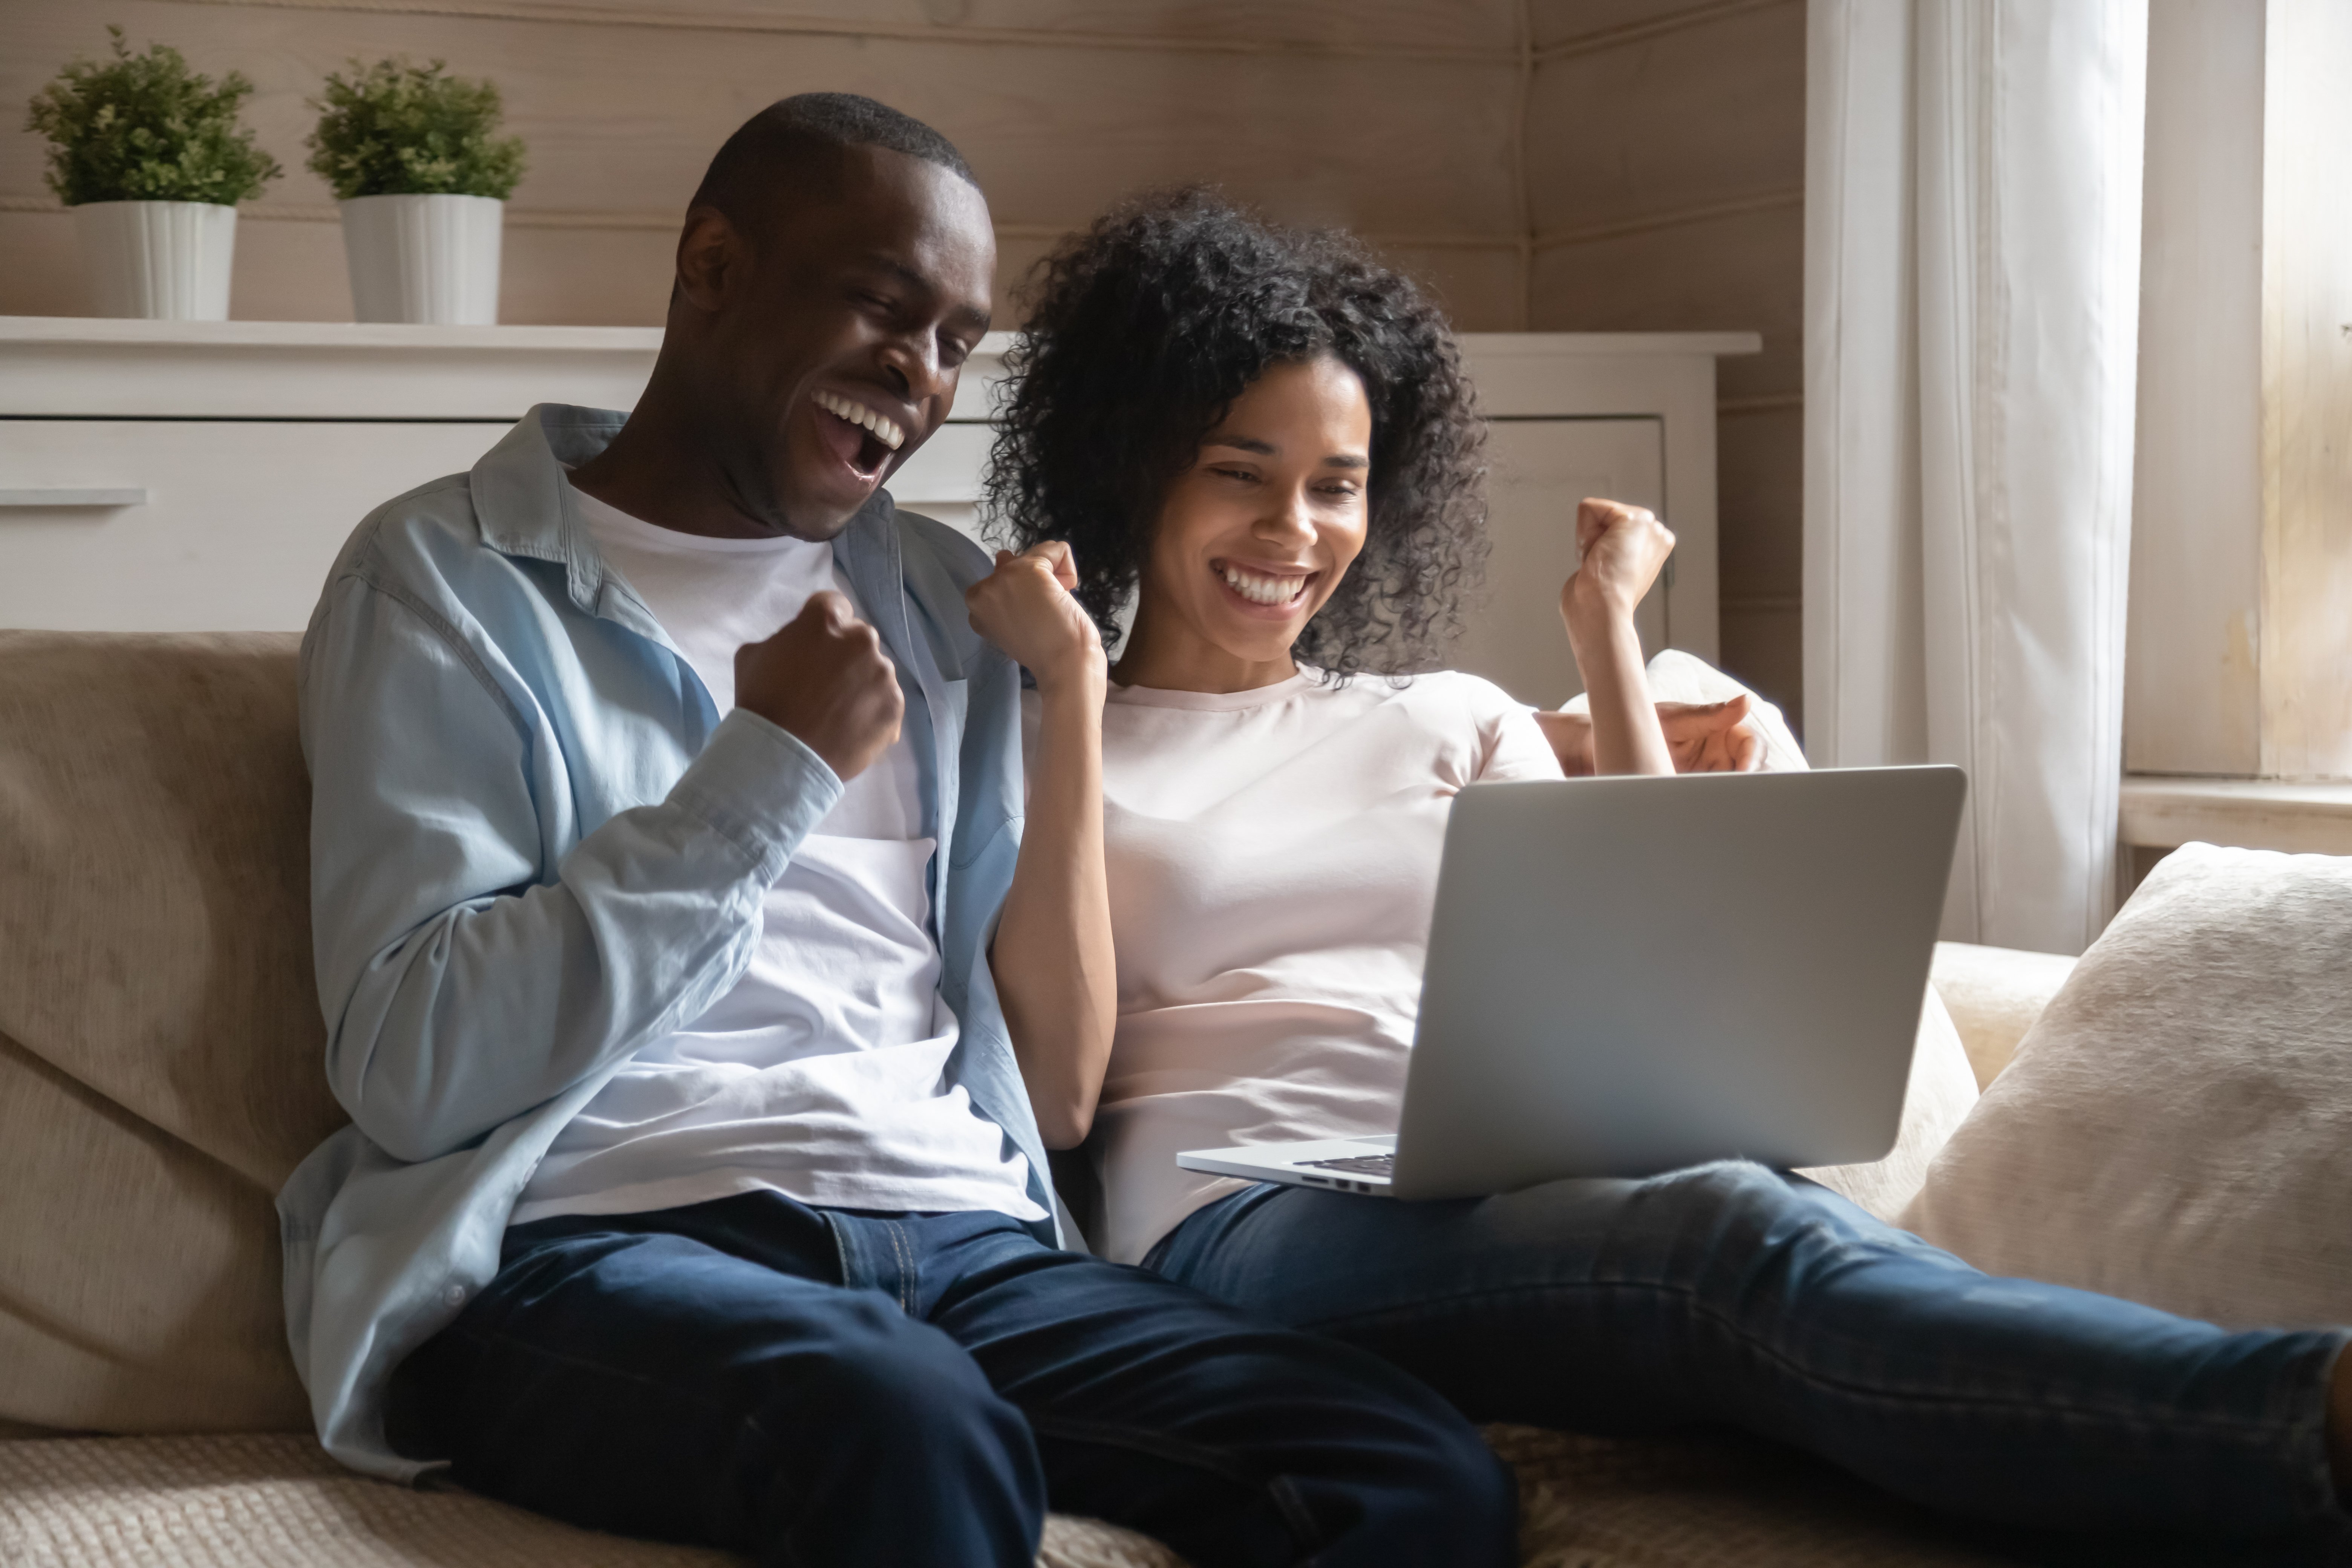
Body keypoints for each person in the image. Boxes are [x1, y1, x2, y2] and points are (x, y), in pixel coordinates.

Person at [977, 186, 2352, 1556]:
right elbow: (1062, 1088)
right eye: (1238, 470)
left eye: (1336, 485)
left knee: (1765, 1218)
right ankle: (2307, 1420)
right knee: (1723, 1248)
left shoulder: (1445, 715)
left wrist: (1604, 632)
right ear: (1133, 463)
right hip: (1245, 1212)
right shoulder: (1034, 731)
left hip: (1502, 1175)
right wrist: (1081, 693)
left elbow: (1643, 925)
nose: (1296, 529)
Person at [278, 100, 1520, 1568]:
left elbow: (1056, 1086)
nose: (919, 377)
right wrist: (766, 772)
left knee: (1411, 1469)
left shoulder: (942, 600)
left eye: (956, 342)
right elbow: (414, 1066)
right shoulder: (449, 579)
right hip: (605, 1240)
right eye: (883, 306)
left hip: (964, 1237)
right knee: (910, 1420)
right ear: (714, 266)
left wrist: (1068, 689)